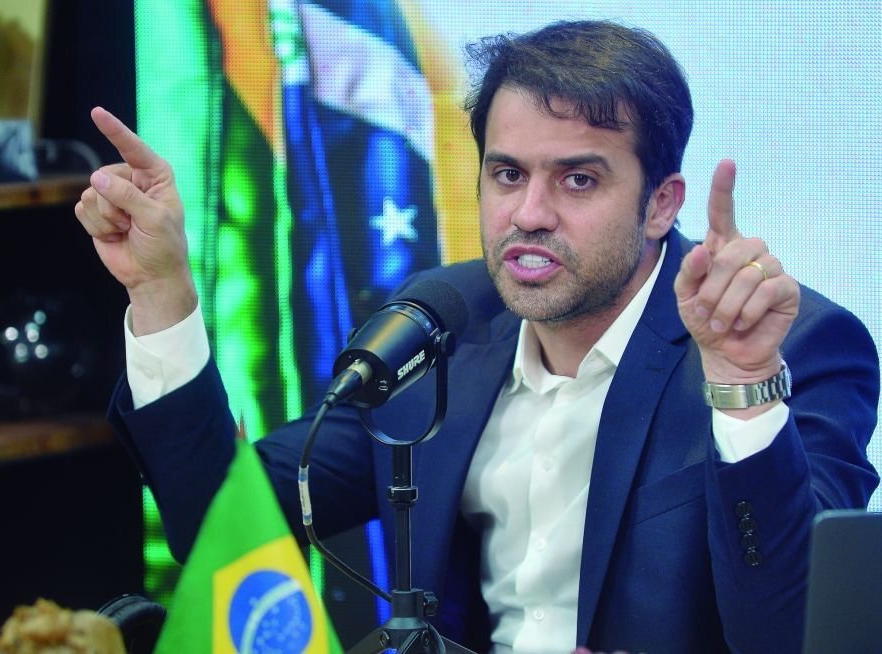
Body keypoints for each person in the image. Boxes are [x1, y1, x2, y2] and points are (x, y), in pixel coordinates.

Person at [74, 19, 879, 653]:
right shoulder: (445, 326)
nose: (529, 213)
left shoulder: (787, 349)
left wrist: (741, 385)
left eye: (578, 179)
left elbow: (790, 632)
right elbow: (218, 520)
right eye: (507, 173)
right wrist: (162, 291)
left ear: (662, 205)